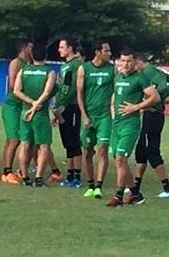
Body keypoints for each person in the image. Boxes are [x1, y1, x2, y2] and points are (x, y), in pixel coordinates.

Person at [105, 48, 159, 207]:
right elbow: (115, 95)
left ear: (135, 62)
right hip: (116, 124)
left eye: (129, 61)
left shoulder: (140, 78)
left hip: (130, 124)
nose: (126, 64)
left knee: (121, 158)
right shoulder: (117, 78)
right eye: (123, 60)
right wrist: (112, 109)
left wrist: (136, 107)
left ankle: (118, 196)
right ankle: (135, 194)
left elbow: (155, 97)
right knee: (117, 160)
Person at [133, 54, 169, 198]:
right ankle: (135, 186)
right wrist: (162, 97)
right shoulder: (155, 72)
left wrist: (154, 99)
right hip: (150, 115)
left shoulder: (149, 72)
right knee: (141, 152)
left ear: (139, 63)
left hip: (153, 115)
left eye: (135, 64)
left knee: (151, 152)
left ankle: (167, 188)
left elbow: (162, 85)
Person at [13, 45, 56, 187]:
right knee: (43, 146)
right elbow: (47, 92)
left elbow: (16, 91)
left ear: (32, 56)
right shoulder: (49, 72)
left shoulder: (23, 71)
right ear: (46, 56)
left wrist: (30, 103)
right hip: (40, 113)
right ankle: (38, 178)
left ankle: (25, 177)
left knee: (25, 144)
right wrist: (36, 104)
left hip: (25, 112)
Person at [76, 40, 115, 199]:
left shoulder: (112, 70)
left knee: (103, 149)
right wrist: (84, 115)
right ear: (98, 52)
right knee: (87, 151)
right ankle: (90, 184)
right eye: (106, 50)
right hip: (88, 116)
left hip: (104, 116)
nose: (109, 53)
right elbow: (79, 93)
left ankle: (99, 186)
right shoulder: (84, 68)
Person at [0, 39, 33, 184]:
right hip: (12, 106)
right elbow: (13, 85)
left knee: (23, 138)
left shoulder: (28, 65)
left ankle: (19, 170)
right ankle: (6, 172)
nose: (32, 50)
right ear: (24, 48)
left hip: (22, 106)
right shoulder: (16, 62)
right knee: (13, 139)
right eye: (30, 47)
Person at [55, 37, 84, 188]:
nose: (59, 50)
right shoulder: (65, 66)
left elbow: (70, 88)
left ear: (70, 48)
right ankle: (70, 175)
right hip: (63, 108)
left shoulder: (75, 65)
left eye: (62, 47)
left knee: (74, 142)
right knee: (67, 143)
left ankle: (77, 177)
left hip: (71, 107)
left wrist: (62, 105)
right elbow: (62, 88)